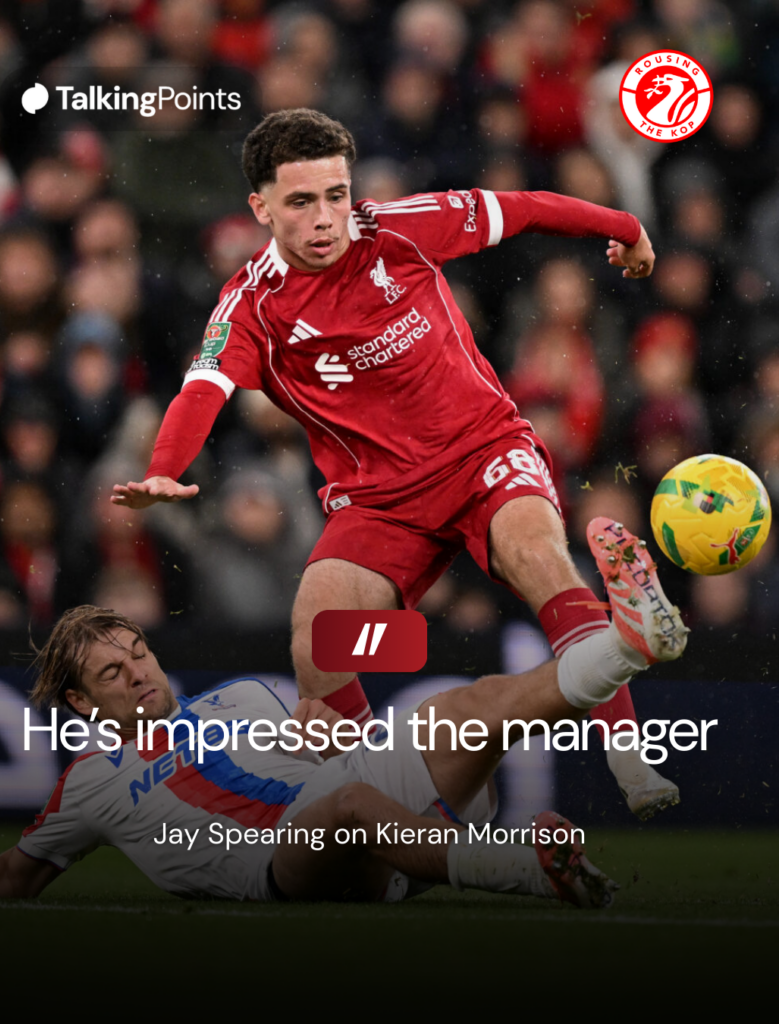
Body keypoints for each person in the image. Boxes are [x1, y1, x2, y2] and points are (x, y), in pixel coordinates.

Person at [111, 108, 673, 820]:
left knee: (539, 559)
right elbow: (203, 388)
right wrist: (165, 466)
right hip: (380, 503)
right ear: (260, 207)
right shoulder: (252, 304)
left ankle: (633, 766)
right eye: (301, 202)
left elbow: (524, 209)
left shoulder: (400, 227)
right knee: (321, 641)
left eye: (336, 195)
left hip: (482, 453)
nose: (325, 218)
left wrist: (623, 227)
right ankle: (388, 802)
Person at [0, 521, 688, 904]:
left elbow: (330, 749)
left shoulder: (241, 698)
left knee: (475, 704)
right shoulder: (89, 779)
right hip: (283, 862)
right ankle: (528, 867)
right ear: (83, 703)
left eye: (139, 653)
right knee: (347, 803)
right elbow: (13, 876)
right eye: (113, 673)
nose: (139, 674)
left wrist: (331, 731)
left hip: (361, 799)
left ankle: (628, 645)